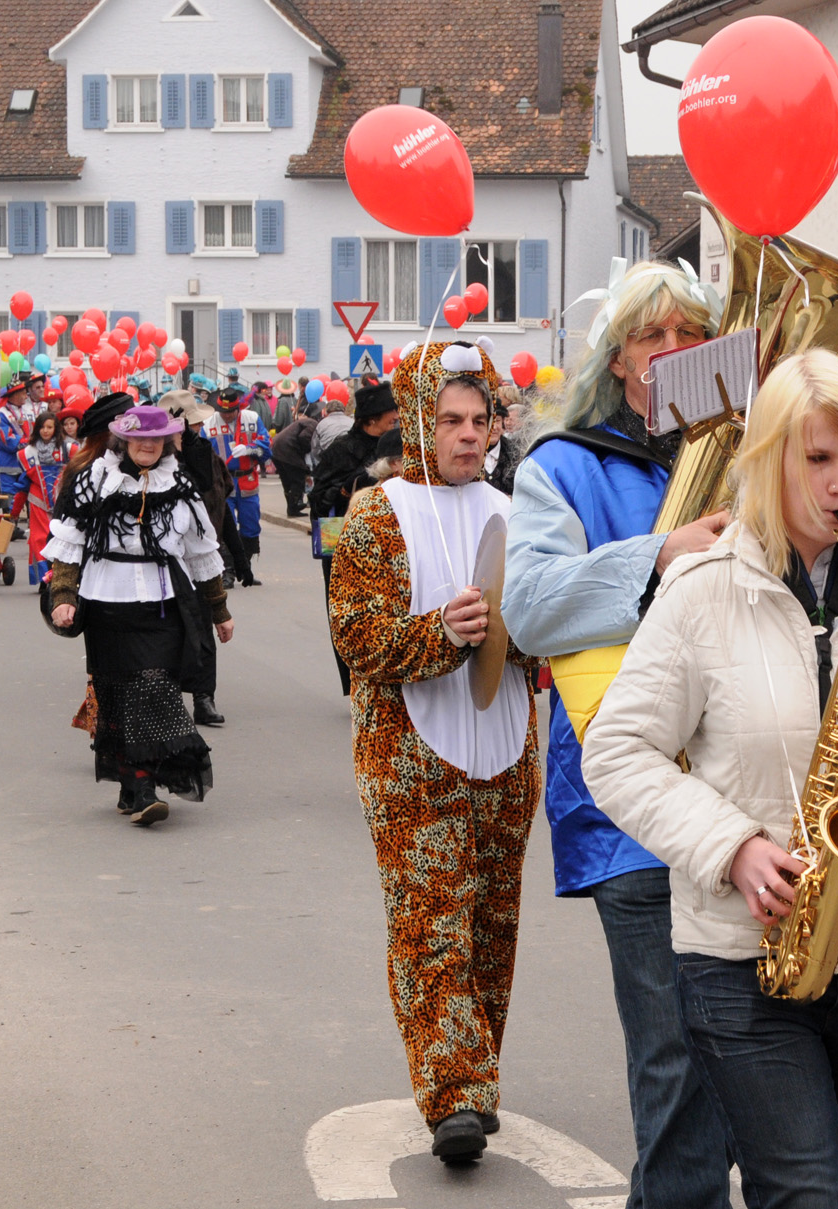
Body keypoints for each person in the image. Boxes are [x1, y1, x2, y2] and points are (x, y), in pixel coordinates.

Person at [580, 349, 838, 1209]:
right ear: (771, 458)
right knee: (804, 1191)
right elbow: (617, 751)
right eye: (816, 458)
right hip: (741, 951)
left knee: (832, 1189)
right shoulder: (700, 590)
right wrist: (731, 846)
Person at [503, 259, 736, 1209]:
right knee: (676, 1049)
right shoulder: (561, 466)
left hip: (743, 787)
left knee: (745, 1043)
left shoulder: (756, 455)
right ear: (618, 360)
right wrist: (661, 554)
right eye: (653, 336)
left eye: (691, 335)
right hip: (627, 796)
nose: (673, 352)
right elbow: (529, 609)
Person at [328, 339, 541, 1162]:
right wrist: (440, 633)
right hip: (411, 759)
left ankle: (477, 1069)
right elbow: (356, 637)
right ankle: (453, 1091)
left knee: (491, 923)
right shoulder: (377, 514)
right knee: (431, 923)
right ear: (419, 422)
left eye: (479, 419)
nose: (468, 434)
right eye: (451, 419)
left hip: (505, 751)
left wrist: (522, 635)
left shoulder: (516, 511)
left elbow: (548, 631)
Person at [43, 405, 232, 827]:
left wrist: (219, 610)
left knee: (155, 688)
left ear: (166, 442)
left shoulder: (179, 484)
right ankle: (131, 784)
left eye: (156, 438)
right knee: (115, 696)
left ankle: (145, 786)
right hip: (106, 603)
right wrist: (63, 597)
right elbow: (69, 545)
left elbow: (201, 552)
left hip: (163, 605)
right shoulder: (95, 479)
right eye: (139, 438)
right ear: (124, 440)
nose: (148, 445)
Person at [310, 383, 404, 695]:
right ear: (372, 418)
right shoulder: (341, 449)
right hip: (343, 541)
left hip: (392, 542)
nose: (396, 416)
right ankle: (354, 686)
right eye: (391, 413)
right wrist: (346, 488)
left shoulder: (399, 444)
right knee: (349, 616)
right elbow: (318, 499)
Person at [162, 389, 232, 726]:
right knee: (168, 632)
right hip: (164, 560)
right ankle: (169, 697)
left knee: (204, 627)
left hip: (202, 553)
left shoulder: (203, 454)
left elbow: (219, 502)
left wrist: (236, 554)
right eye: (192, 424)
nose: (198, 428)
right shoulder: (150, 458)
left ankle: (204, 698)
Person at [204, 386, 270, 578]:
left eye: (230, 412)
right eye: (222, 412)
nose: (226, 416)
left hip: (247, 480)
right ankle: (228, 572)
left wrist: (250, 448)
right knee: (226, 527)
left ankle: (245, 567)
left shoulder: (252, 419)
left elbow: (266, 449)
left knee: (251, 525)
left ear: (238, 409)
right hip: (222, 483)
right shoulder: (208, 424)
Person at [20, 411, 69, 585]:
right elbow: (23, 483)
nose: (45, 431)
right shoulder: (27, 452)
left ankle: (58, 574)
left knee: (61, 537)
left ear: (56, 429)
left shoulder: (69, 449)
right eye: (42, 427)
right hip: (37, 500)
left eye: (49, 427)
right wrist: (15, 508)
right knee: (39, 538)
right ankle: (45, 578)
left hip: (62, 500)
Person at [0, 377, 34, 519]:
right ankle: (9, 527)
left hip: (25, 463)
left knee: (26, 495)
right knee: (9, 499)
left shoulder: (26, 412)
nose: (26, 396)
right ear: (14, 395)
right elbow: (7, 441)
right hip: (8, 465)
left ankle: (25, 525)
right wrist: (29, 442)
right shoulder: (2, 414)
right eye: (23, 393)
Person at [271, 404, 319, 516]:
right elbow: (304, 437)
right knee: (298, 479)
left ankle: (291, 507)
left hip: (277, 448)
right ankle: (294, 506)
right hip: (287, 449)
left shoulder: (304, 422)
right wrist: (308, 449)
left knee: (287, 480)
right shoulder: (313, 424)